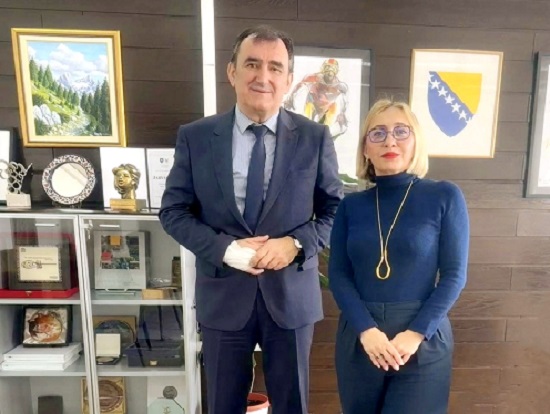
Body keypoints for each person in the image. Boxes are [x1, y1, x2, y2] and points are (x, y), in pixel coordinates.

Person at [159, 25, 343, 414]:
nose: (263, 76)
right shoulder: (196, 137)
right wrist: (225, 249)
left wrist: (294, 244)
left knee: (292, 405)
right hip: (223, 296)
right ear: (232, 72)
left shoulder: (314, 138)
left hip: (290, 298)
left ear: (288, 79)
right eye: (252, 64)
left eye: (275, 67)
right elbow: (173, 212)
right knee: (222, 404)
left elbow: (335, 210)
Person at [328, 99, 469, 414]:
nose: (390, 141)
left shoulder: (444, 196)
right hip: (361, 338)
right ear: (365, 148)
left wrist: (416, 333)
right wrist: (366, 330)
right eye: (377, 133)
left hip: (422, 340)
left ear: (416, 141)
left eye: (400, 131)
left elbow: (454, 275)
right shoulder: (350, 206)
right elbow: (338, 275)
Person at [284, 58, 349, 138]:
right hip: (312, 105)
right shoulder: (313, 78)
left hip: (328, 110)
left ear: (337, 71)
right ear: (323, 69)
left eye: (333, 69)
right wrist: (290, 100)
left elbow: (344, 103)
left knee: (326, 131)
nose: (330, 72)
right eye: (327, 68)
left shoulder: (341, 87)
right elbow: (299, 86)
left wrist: (342, 114)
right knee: (306, 127)